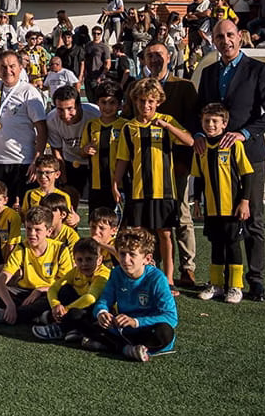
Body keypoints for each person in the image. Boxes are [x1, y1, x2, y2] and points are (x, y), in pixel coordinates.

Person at [196, 20, 265, 301]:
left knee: (252, 219)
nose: (225, 41)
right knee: (221, 222)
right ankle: (220, 281)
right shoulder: (209, 73)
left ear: (240, 37)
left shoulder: (259, 70)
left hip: (250, 156)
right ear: (214, 40)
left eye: (230, 35)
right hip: (214, 159)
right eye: (219, 37)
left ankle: (255, 279)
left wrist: (244, 133)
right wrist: (199, 133)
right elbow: (201, 111)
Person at [112, 78, 194, 293]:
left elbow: (190, 141)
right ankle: (143, 275)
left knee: (165, 234)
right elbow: (123, 159)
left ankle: (168, 279)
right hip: (139, 191)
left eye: (150, 101)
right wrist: (115, 182)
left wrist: (168, 126)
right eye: (141, 101)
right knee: (139, 235)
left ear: (158, 102)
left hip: (164, 191)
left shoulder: (166, 121)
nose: (146, 106)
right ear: (135, 101)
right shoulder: (130, 128)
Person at [140, 43, 201, 287]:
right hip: (145, 166)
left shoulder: (184, 87)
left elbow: (193, 127)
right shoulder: (136, 86)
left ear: (169, 57)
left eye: (159, 55)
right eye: (150, 56)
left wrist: (186, 163)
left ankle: (188, 267)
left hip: (176, 165)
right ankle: (153, 264)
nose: (155, 59)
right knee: (152, 218)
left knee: (182, 215)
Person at [192, 103, 255, 304]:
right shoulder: (201, 148)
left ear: (224, 124)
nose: (210, 125)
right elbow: (199, 178)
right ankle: (216, 284)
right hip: (212, 208)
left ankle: (235, 287)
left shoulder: (234, 145)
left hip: (232, 208)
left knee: (233, 246)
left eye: (215, 121)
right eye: (206, 121)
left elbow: (247, 175)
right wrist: (196, 201)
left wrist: (244, 202)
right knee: (216, 245)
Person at [86, 227, 178, 361]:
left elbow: (171, 317)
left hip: (147, 330)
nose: (125, 259)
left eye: (132, 255)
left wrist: (136, 322)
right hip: (123, 328)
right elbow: (104, 300)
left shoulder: (157, 278)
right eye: (122, 254)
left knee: (164, 332)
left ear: (147, 259)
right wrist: (102, 313)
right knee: (84, 316)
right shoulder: (116, 273)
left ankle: (118, 346)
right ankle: (127, 349)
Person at [0, 206, 74, 325]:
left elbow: (64, 283)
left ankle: (12, 315)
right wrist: (10, 304)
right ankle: (37, 317)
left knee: (64, 295)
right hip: (24, 293)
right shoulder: (21, 248)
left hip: (47, 292)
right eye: (28, 228)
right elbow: (1, 280)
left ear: (49, 231)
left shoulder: (61, 249)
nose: (32, 234)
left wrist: (40, 290)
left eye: (37, 230)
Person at [0, 50, 48, 206]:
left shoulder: (29, 92)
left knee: (25, 211)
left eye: (12, 66)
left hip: (22, 162)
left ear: (21, 67)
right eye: (3, 67)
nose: (8, 71)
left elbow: (42, 129)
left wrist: (36, 160)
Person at [31, 237, 110, 342]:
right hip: (79, 306)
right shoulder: (75, 271)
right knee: (65, 290)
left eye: (89, 259)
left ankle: (58, 327)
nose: (84, 264)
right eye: (79, 260)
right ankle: (71, 327)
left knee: (75, 314)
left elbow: (90, 298)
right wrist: (55, 305)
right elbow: (54, 287)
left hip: (96, 312)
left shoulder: (102, 275)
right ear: (74, 260)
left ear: (99, 260)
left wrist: (66, 310)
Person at [44, 85, 98, 208]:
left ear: (79, 105)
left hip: (94, 162)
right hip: (70, 160)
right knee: (68, 204)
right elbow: (57, 151)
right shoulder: (52, 119)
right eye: (60, 109)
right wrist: (64, 179)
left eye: (70, 109)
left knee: (96, 205)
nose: (66, 114)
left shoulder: (95, 114)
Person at [80, 82, 128, 212]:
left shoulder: (125, 126)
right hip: (96, 185)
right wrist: (85, 150)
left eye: (112, 103)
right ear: (98, 103)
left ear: (119, 104)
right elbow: (82, 151)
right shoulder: (91, 125)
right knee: (96, 222)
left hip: (121, 184)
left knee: (118, 224)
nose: (107, 107)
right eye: (103, 102)